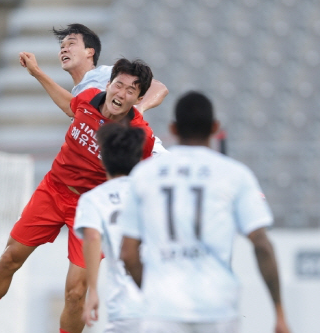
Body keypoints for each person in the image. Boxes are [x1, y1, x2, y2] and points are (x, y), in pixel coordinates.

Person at [0, 59, 157, 333]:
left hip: (90, 208)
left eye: (131, 90)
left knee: (76, 293)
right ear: (109, 84)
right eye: (118, 85)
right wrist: (38, 73)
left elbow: (144, 177)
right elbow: (70, 104)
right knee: (9, 258)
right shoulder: (89, 99)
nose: (121, 94)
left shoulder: (141, 135)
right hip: (53, 190)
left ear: (138, 98)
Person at [119, 91, 292, 333]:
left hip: (162, 310)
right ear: (215, 127)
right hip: (217, 308)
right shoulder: (234, 174)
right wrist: (279, 311)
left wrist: (153, 292)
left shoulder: (146, 175)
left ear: (173, 128)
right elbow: (262, 244)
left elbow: (128, 253)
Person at [19, 23, 169, 151]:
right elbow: (71, 107)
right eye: (62, 47)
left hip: (150, 157)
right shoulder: (78, 93)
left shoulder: (106, 73)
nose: (64, 49)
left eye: (71, 44)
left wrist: (138, 109)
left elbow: (159, 87)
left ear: (90, 52)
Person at [73, 123, 146, 333]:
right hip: (163, 307)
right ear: (138, 159)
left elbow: (93, 237)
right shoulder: (152, 193)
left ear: (103, 159)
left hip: (125, 309)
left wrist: (93, 291)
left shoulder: (94, 199)